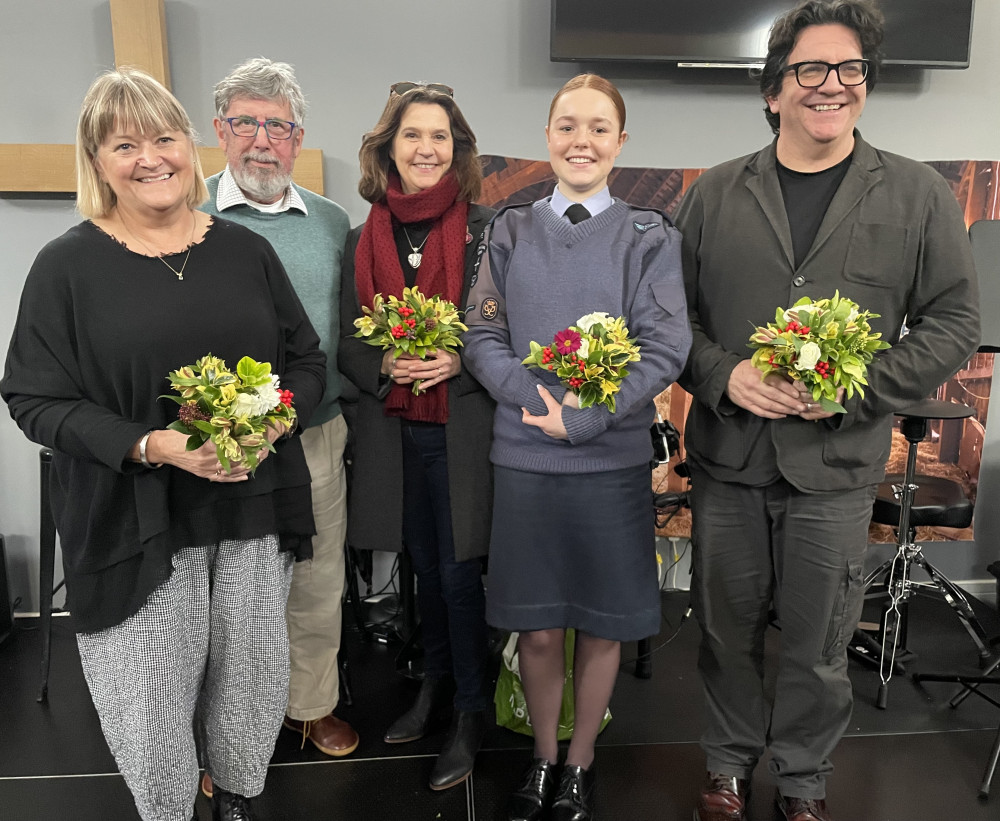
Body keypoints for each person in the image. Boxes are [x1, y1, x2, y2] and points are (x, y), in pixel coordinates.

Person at [674, 3, 980, 820]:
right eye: (811, 70)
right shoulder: (712, 194)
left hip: (837, 466)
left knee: (819, 644)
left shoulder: (915, 194)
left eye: (849, 70)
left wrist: (860, 386)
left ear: (866, 86)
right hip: (729, 457)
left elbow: (955, 320)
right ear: (775, 90)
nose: (831, 86)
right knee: (723, 632)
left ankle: (804, 779)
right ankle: (727, 765)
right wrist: (723, 375)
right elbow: (670, 321)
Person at [0, 68, 326, 821]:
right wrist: (152, 443)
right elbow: (33, 396)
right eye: (125, 144)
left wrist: (277, 420)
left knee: (249, 678)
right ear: (96, 160)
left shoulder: (244, 251)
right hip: (132, 515)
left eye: (164, 138)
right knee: (148, 694)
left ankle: (239, 796)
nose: (150, 158)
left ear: (190, 145)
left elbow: (306, 364)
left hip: (251, 505)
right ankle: (170, 809)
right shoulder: (67, 266)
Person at [463, 74, 691, 821]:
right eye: (567, 126)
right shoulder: (510, 229)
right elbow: (483, 335)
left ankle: (581, 761)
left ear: (620, 143)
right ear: (548, 138)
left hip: (610, 460)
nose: (581, 141)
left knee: (601, 621)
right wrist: (541, 405)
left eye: (598, 128)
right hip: (527, 456)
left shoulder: (650, 237)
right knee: (535, 624)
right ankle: (540, 760)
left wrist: (588, 418)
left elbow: (665, 346)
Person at [199, 58, 357, 796]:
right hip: (215, 444)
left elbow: (344, 329)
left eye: (278, 126)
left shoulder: (330, 221)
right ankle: (220, 734)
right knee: (223, 595)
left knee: (317, 579)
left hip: (314, 432)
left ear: (298, 139)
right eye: (246, 123)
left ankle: (310, 705)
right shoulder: (187, 212)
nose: (262, 141)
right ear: (219, 131)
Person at [337, 82, 496, 791]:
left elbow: (511, 331)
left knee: (461, 573)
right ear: (387, 148)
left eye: (441, 137)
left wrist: (459, 357)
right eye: (413, 135)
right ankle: (433, 684)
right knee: (423, 570)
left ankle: (470, 708)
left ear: (457, 151)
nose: (427, 148)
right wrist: (384, 361)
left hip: (462, 428)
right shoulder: (359, 237)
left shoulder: (489, 229)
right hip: (394, 433)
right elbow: (347, 342)